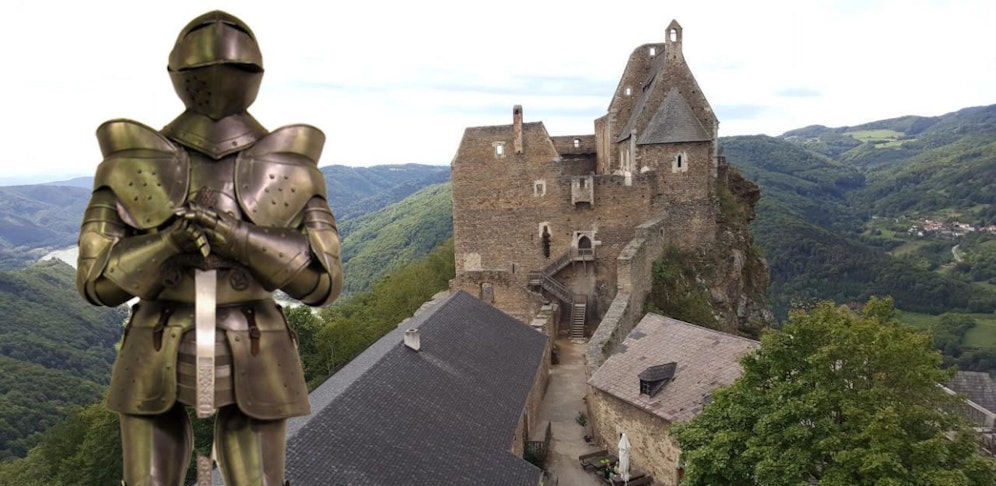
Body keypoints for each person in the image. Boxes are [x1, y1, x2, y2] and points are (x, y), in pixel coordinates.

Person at [75, 10, 342, 485]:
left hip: (255, 340)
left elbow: (323, 283)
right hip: (156, 341)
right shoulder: (129, 162)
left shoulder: (291, 164)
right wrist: (167, 243)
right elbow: (95, 284)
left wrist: (239, 238)